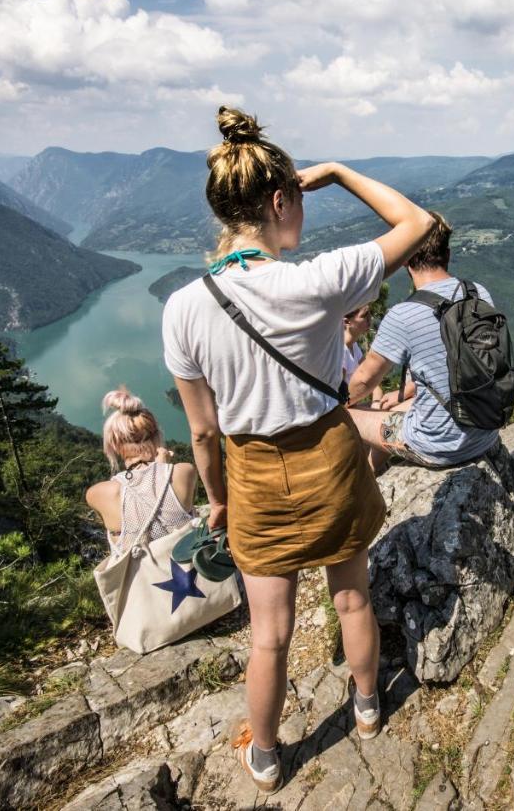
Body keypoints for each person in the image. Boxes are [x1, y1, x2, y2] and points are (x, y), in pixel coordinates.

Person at [162, 106, 433, 794]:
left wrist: (218, 498)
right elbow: (418, 223)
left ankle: (268, 754)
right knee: (352, 600)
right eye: (300, 202)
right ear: (282, 200)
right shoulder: (316, 281)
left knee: (269, 634)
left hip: (254, 475)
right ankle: (368, 705)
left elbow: (201, 432)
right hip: (330, 460)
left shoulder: (183, 308)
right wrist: (338, 173)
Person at [346, 213, 500, 469]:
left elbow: (363, 380)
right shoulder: (478, 292)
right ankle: (376, 475)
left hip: (437, 446)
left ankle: (368, 489)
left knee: (346, 414)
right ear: (447, 254)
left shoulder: (403, 314)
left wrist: (338, 402)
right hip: (486, 431)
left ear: (406, 258)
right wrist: (402, 393)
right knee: (390, 408)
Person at [85, 388, 197, 557]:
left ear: (113, 445)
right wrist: (162, 466)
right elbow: (159, 492)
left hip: (142, 581)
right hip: (191, 576)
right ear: (157, 436)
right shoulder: (184, 472)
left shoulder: (97, 494)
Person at [341, 305, 382, 404]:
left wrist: (377, 402)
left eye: (369, 314)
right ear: (346, 322)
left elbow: (371, 378)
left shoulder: (354, 346)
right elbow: (340, 397)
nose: (369, 319)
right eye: (364, 316)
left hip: (350, 404)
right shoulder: (341, 351)